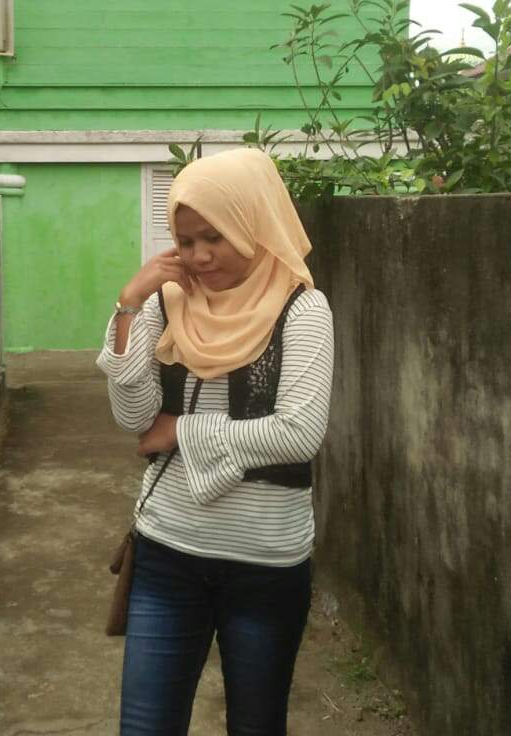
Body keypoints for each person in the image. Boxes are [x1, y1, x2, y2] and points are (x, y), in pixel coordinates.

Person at [97, 147, 335, 736]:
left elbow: (299, 432)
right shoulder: (168, 301)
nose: (199, 256)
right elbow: (133, 417)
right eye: (185, 241)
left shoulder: (303, 310)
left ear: (253, 224)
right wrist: (129, 306)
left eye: (215, 237)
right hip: (167, 553)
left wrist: (180, 429)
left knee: (256, 725)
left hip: (265, 566)